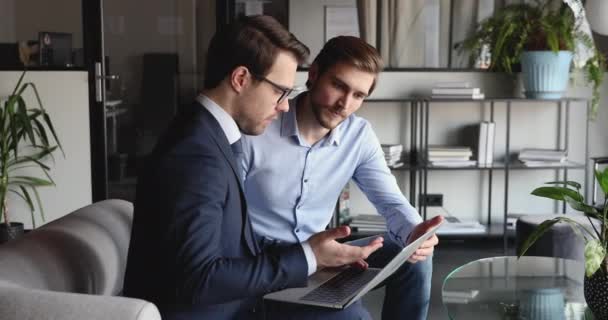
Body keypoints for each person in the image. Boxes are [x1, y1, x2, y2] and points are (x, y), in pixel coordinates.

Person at [123, 17, 383, 320]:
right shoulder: (195, 153)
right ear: (241, 78)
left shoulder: (211, 135)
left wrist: (312, 253)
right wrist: (307, 259)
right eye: (279, 91)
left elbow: (232, 240)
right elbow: (198, 278)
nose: (285, 105)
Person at [241, 36, 443, 320]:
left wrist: (415, 233)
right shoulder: (259, 130)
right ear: (314, 75)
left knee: (414, 258)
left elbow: (390, 202)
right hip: (267, 265)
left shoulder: (358, 135)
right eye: (338, 86)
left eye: (358, 96)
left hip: (323, 255)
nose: (344, 105)